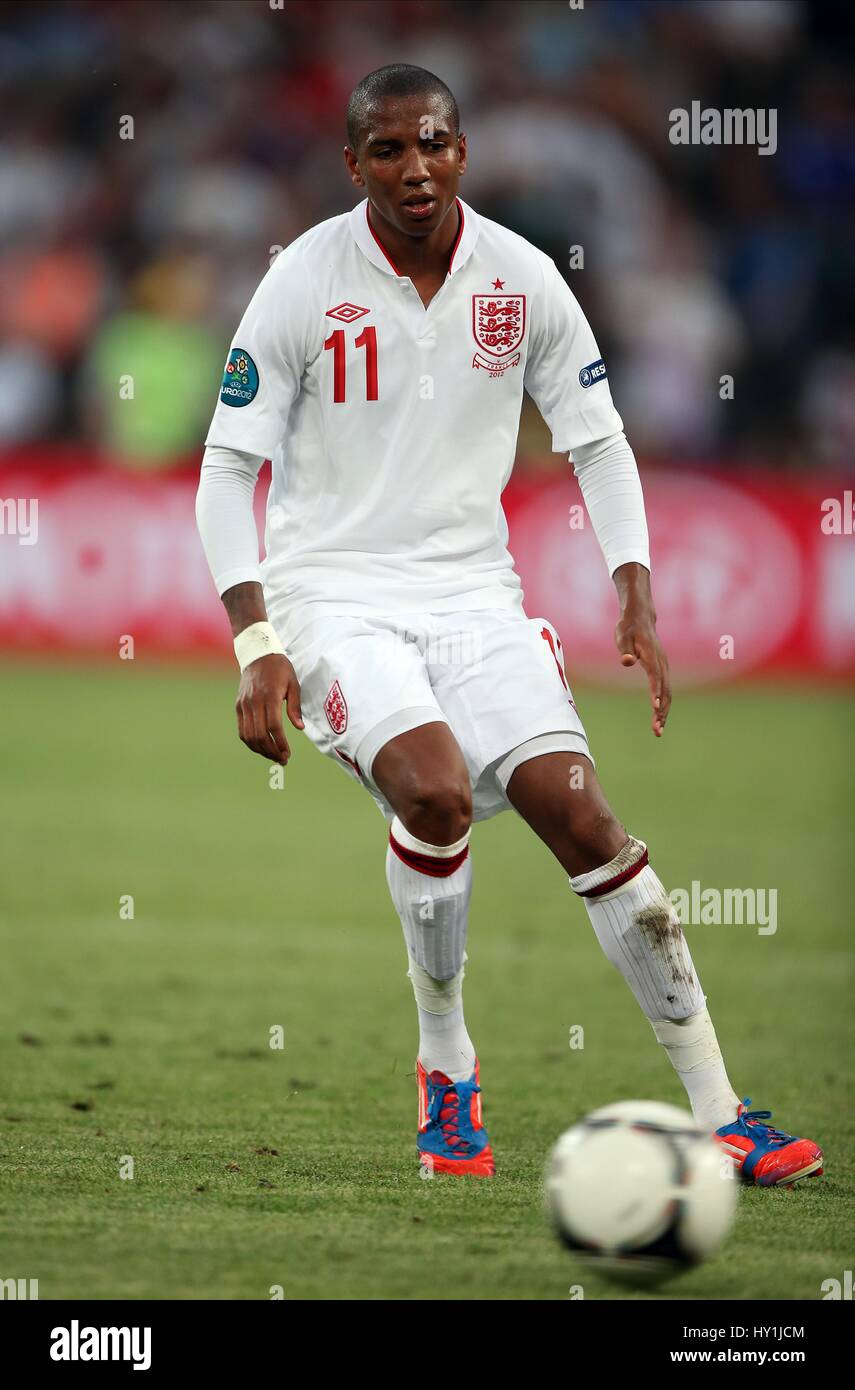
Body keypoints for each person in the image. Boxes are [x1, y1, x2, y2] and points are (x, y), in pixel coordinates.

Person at [196, 64, 821, 1186]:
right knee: (433, 790)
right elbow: (226, 464)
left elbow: (598, 436)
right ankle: (448, 1071)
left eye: (432, 143)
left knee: (586, 822)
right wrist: (257, 640)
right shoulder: (301, 280)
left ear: (463, 150)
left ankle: (725, 1115)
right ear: (353, 166)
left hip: (477, 596)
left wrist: (633, 582)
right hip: (335, 592)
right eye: (387, 150)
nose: (414, 167)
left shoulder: (524, 278)